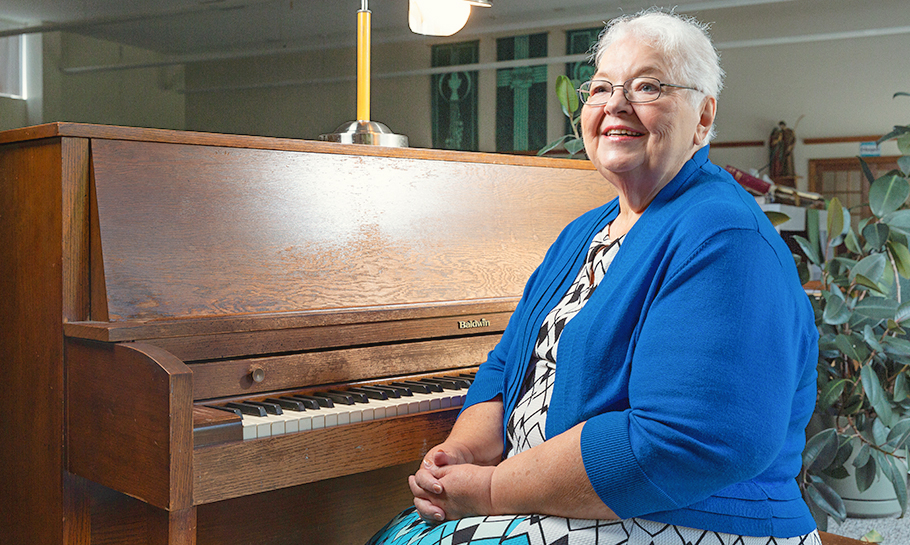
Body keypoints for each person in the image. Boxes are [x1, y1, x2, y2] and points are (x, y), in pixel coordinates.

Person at [367, 8, 820, 545]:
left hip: (688, 519)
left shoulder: (723, 235)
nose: (615, 104)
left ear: (703, 117)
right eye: (602, 87)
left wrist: (490, 490)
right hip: (567, 502)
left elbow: (685, 440)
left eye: (647, 86)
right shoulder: (586, 231)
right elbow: (509, 367)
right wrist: (460, 454)